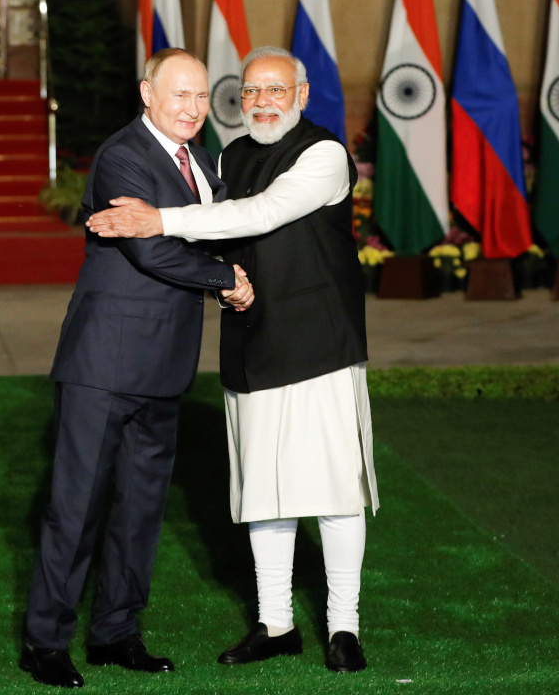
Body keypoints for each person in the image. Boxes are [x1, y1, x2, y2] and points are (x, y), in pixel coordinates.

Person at [86, 46, 377, 674]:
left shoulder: (324, 155)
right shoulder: (229, 155)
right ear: (238, 100)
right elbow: (218, 224)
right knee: (262, 492)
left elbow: (262, 212)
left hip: (320, 341)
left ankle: (344, 626)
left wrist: (155, 218)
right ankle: (276, 625)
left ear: (302, 94)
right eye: (251, 92)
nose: (263, 102)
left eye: (277, 90)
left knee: (333, 493)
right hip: (251, 336)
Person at [20, 48, 255, 689]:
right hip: (104, 364)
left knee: (141, 510)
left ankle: (117, 634)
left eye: (203, 97)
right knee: (77, 508)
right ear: (148, 92)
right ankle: (45, 643)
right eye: (180, 95)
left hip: (165, 366)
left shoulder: (201, 161)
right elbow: (153, 250)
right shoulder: (123, 155)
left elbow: (219, 224)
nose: (193, 109)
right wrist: (223, 279)